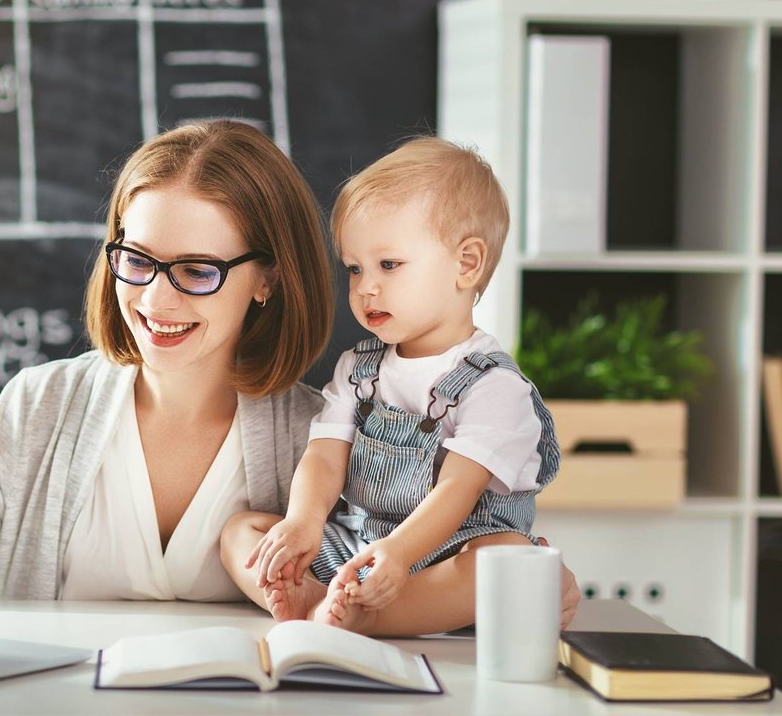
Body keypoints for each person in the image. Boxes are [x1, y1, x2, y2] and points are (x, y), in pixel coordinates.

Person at [0, 120, 334, 618]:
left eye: (196, 271)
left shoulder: (322, 438)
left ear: (269, 279)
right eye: (136, 259)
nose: (155, 299)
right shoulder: (43, 404)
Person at [220, 136, 578, 636]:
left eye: (389, 265)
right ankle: (317, 599)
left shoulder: (494, 386)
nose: (366, 286)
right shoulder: (358, 368)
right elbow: (324, 456)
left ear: (466, 264)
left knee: (508, 558)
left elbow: (457, 490)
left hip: (444, 557)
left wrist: (398, 554)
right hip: (359, 546)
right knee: (244, 531)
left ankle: (365, 616)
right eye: (354, 268)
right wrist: (302, 522)